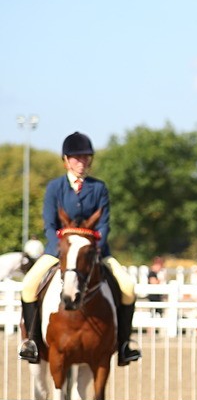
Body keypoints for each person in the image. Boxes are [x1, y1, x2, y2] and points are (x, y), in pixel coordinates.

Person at [19, 132, 141, 365]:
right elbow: (49, 225)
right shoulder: (55, 187)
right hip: (59, 252)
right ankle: (32, 341)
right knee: (29, 285)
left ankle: (125, 344)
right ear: (66, 160)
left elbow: (104, 225)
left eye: (86, 158)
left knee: (128, 286)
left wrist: (95, 249)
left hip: (94, 252)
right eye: (76, 158)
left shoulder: (99, 188)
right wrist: (62, 250)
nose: (81, 162)